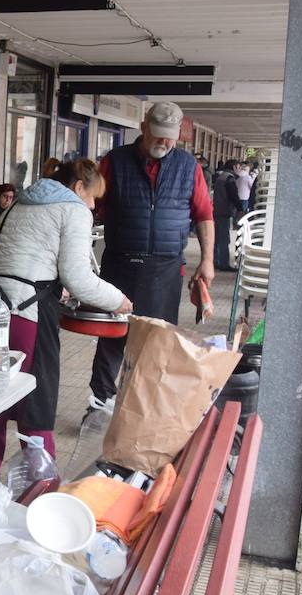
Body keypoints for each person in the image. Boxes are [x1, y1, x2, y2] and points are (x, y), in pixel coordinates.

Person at [0, 159, 131, 485]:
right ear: (79, 187)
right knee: (35, 398)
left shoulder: (24, 200)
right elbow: (79, 277)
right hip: (21, 315)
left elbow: (24, 256)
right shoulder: (73, 209)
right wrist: (118, 300)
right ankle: (40, 485)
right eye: (92, 196)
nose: (94, 205)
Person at [87, 101, 214, 417]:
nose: (163, 142)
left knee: (157, 341)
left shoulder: (188, 167)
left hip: (165, 268)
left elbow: (205, 215)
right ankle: (100, 404)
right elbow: (91, 206)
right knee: (113, 337)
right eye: (158, 134)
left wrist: (208, 260)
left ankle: (142, 410)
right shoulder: (115, 162)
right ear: (143, 128)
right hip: (120, 264)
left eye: (170, 137)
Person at [213, 160, 243, 272]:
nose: (240, 169)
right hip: (224, 211)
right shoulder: (229, 179)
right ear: (234, 166)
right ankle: (224, 263)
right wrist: (240, 209)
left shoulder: (220, 177)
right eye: (239, 166)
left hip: (217, 210)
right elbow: (234, 196)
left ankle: (215, 261)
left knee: (216, 238)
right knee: (224, 239)